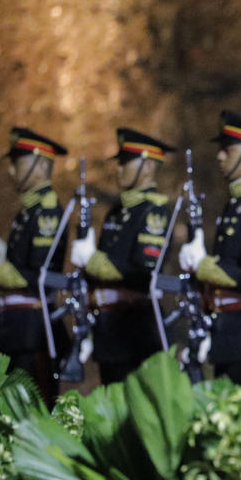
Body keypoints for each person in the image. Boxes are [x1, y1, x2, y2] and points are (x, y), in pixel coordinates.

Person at [178, 110, 241, 385]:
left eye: (228, 149)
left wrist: (204, 266)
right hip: (226, 329)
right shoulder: (237, 201)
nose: (220, 156)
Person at [0, 127, 68, 401]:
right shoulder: (28, 211)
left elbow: (37, 274)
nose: (11, 171)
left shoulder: (46, 212)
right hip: (15, 329)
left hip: (34, 329)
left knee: (35, 407)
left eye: (18, 163)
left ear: (39, 164)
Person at [70, 128, 174, 384]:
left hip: (135, 329)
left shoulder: (154, 212)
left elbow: (143, 269)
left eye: (127, 162)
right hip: (109, 329)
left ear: (148, 166)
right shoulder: (116, 212)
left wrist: (92, 260)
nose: (119, 169)